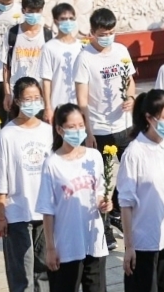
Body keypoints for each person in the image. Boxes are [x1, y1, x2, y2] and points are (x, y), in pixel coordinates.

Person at [73, 8, 135, 246]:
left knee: (129, 172)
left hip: (124, 124)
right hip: (98, 128)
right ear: (92, 32)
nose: (107, 37)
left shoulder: (121, 51)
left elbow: (130, 81)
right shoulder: (84, 58)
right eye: (102, 34)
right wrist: (88, 132)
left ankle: (117, 210)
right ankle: (104, 226)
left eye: (111, 32)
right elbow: (82, 99)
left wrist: (131, 97)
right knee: (101, 180)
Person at [37, 103, 111, 292]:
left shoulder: (94, 156)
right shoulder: (52, 163)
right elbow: (47, 210)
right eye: (71, 127)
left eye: (80, 126)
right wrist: (50, 248)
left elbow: (99, 191)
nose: (77, 131)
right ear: (59, 129)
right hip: (67, 245)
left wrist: (104, 202)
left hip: (94, 242)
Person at [0, 75, 54, 292]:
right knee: (21, 275)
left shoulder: (48, 132)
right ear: (17, 101)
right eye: (28, 99)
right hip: (17, 212)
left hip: (45, 212)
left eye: (37, 98)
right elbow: (0, 178)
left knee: (43, 272)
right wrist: (1, 216)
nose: (33, 103)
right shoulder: (7, 134)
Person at [117, 88, 164, 292]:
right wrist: (129, 246)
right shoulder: (134, 153)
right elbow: (126, 203)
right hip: (143, 243)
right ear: (150, 118)